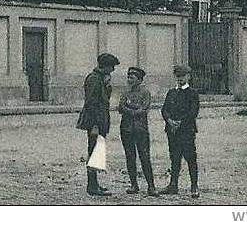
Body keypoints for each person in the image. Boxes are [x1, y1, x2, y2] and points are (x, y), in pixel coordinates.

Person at [77, 52, 120, 196]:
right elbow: (91, 103)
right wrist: (94, 125)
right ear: (105, 66)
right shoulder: (94, 79)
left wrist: (107, 86)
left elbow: (104, 99)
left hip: (101, 120)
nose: (113, 70)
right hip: (94, 122)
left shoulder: (101, 79)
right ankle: (92, 186)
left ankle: (95, 184)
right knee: (93, 152)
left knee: (97, 152)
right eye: (112, 66)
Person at [160, 64, 200, 198]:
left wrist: (180, 123)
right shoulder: (171, 92)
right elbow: (164, 109)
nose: (180, 79)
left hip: (186, 130)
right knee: (174, 158)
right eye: (178, 76)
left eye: (183, 76)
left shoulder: (192, 93)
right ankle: (173, 185)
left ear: (188, 77)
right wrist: (169, 121)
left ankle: (194, 186)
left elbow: (193, 112)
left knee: (190, 158)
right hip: (172, 131)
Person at [117, 66, 157, 196]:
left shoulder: (145, 93)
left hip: (141, 130)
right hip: (126, 128)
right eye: (128, 77)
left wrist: (130, 107)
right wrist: (134, 109)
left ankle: (151, 186)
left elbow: (144, 109)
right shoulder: (125, 93)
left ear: (139, 80)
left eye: (132, 77)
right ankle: (134, 185)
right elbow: (120, 108)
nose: (130, 80)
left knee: (144, 157)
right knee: (130, 157)